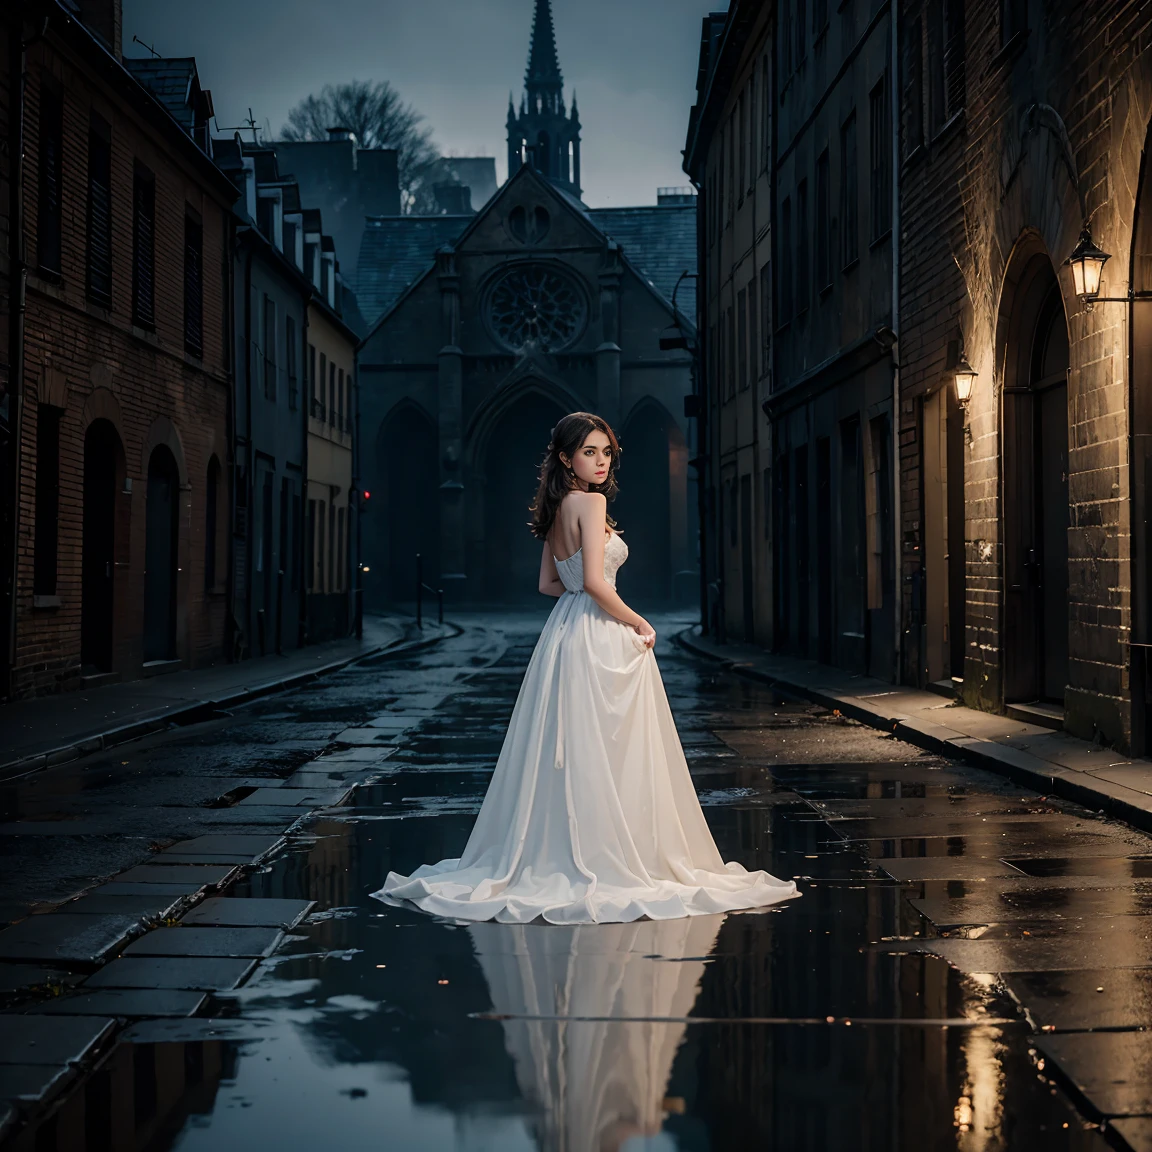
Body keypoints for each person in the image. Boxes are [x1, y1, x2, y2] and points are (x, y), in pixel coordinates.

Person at [373, 411, 797, 923]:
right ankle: (611, 850)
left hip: (565, 632)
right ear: (565, 457)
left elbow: (550, 586)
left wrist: (585, 594)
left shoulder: (557, 510)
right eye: (589, 452)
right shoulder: (592, 505)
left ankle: (565, 848)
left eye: (606, 452)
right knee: (611, 748)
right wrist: (641, 622)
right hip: (598, 633)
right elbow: (597, 582)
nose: (600, 461)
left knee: (573, 748)